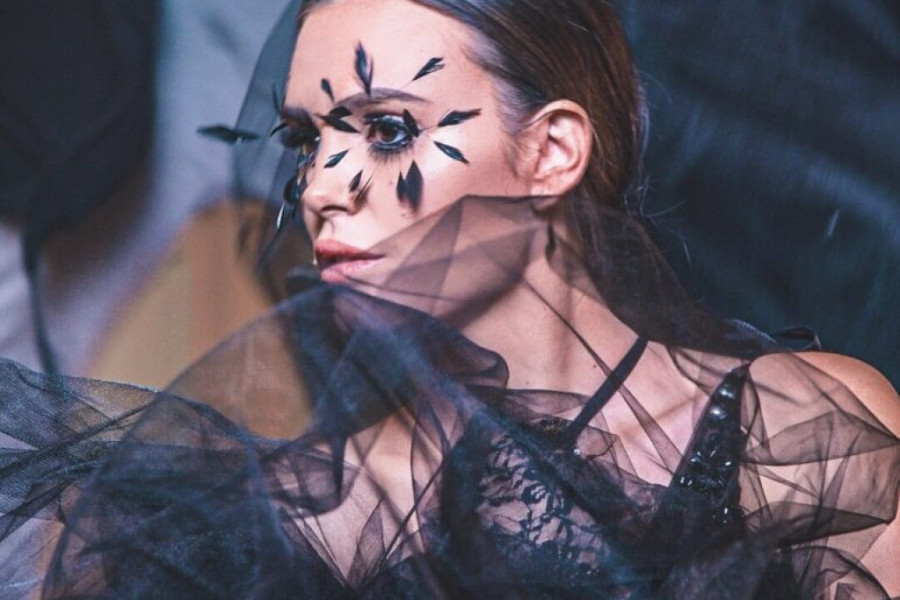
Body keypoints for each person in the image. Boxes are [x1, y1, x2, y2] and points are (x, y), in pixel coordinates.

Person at [1, 0, 898, 598]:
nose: (322, 188)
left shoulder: (803, 432)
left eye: (389, 130)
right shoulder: (274, 517)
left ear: (551, 151)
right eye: (308, 141)